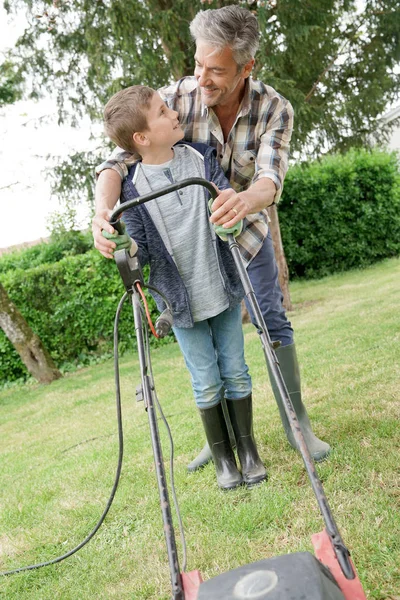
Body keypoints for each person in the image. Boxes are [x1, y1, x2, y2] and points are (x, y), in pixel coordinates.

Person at [92, 5, 331, 468]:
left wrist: (245, 201)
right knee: (199, 342)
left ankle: (295, 422)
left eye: (215, 70)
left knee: (271, 323)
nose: (201, 77)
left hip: (244, 234)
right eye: (198, 64)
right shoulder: (175, 98)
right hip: (187, 250)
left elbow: (269, 179)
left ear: (246, 68)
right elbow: (116, 161)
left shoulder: (274, 109)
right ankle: (217, 435)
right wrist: (103, 211)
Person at [102, 84, 267, 490]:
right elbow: (139, 245)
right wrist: (127, 245)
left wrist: (230, 214)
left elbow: (222, 198)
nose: (174, 113)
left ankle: (248, 450)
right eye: (162, 112)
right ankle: (224, 459)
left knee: (236, 371)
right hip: (181, 304)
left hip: (222, 288)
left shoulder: (200, 158)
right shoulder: (133, 189)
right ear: (142, 138)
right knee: (206, 379)